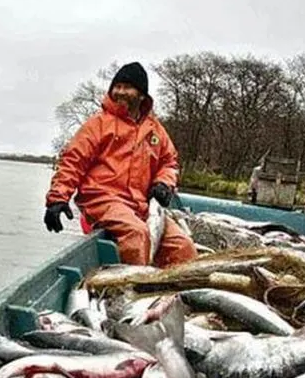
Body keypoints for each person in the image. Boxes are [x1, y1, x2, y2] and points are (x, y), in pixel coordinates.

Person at [43, 61, 197, 268]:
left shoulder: (155, 130)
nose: (120, 92)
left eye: (127, 87)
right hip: (102, 199)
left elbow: (169, 161)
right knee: (137, 235)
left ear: (142, 94)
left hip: (140, 205)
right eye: (117, 87)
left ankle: (170, 295)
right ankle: (133, 291)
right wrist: (57, 199)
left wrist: (163, 183)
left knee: (183, 247)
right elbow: (73, 161)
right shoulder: (98, 124)